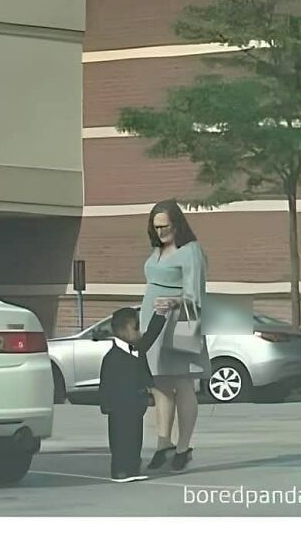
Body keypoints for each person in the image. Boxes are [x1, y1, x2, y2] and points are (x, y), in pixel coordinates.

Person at [140, 199, 211, 472]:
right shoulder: (156, 250)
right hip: (154, 320)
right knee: (158, 382)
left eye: (165, 226)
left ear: (177, 224)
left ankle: (183, 447)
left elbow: (196, 294)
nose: (160, 232)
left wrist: (174, 301)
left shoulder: (190, 251)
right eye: (156, 227)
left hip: (183, 319)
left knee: (183, 383)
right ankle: (163, 443)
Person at [99, 302, 174, 482]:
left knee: (135, 437)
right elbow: (105, 383)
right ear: (123, 330)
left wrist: (160, 314)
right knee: (120, 438)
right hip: (119, 406)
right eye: (136, 328)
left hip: (136, 403)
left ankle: (132, 468)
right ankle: (120, 470)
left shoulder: (136, 348)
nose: (139, 332)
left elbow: (150, 336)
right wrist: (106, 405)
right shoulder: (112, 357)